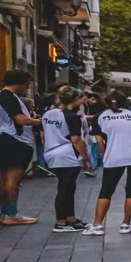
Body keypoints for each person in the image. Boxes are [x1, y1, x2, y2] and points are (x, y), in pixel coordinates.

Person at [86, 91, 131, 235]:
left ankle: (97, 226)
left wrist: (105, 154)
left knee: (106, 190)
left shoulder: (99, 116)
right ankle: (126, 224)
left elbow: (99, 141)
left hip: (114, 156)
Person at [0, 70, 41, 226]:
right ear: (19, 82)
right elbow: (21, 120)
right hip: (15, 140)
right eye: (26, 84)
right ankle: (11, 214)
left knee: (4, 177)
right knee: (13, 177)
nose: (27, 87)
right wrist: (40, 121)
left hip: (4, 138)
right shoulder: (8, 97)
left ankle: (4, 212)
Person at [41, 86, 89, 232]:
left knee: (68, 187)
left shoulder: (48, 114)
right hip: (68, 155)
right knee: (65, 188)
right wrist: (85, 157)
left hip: (51, 152)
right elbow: (76, 139)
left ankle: (71, 218)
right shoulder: (72, 117)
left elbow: (43, 135)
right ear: (74, 99)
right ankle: (61, 222)